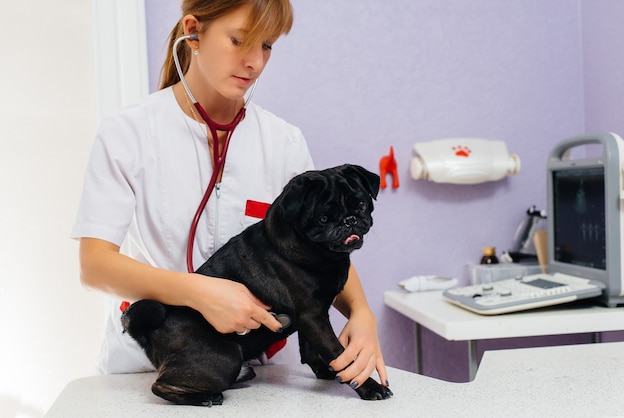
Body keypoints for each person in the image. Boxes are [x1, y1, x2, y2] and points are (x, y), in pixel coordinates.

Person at [72, 0, 389, 390]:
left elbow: (320, 245)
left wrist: (361, 312)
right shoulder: (128, 134)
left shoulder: (283, 142)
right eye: (239, 40)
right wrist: (199, 292)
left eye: (267, 45)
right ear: (193, 32)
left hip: (265, 373)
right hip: (146, 367)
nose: (254, 62)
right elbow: (95, 266)